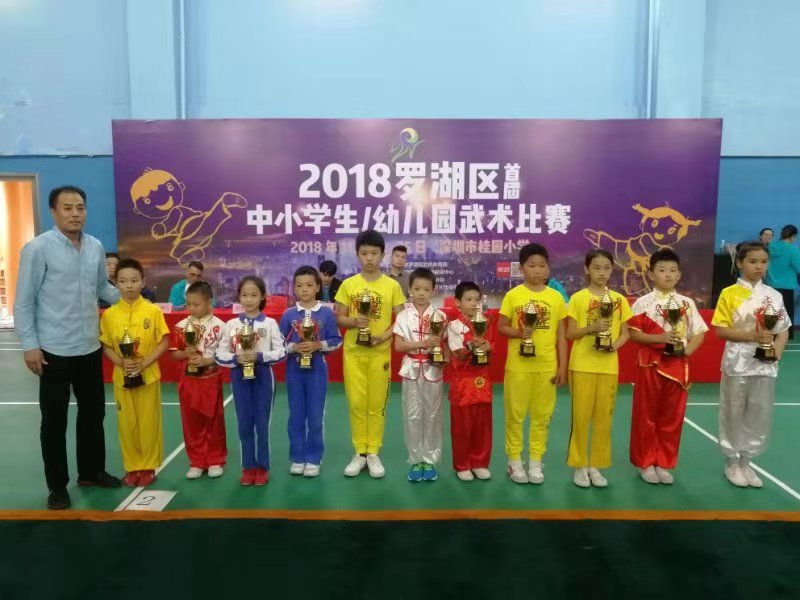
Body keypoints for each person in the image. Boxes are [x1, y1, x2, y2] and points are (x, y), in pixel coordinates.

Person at [14, 185, 121, 510]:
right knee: (54, 422)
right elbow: (24, 302)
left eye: (80, 208)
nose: (75, 214)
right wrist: (30, 345)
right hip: (53, 351)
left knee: (93, 414)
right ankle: (57, 486)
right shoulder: (38, 249)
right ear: (54, 211)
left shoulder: (95, 247)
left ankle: (91, 472)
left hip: (89, 346)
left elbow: (102, 287)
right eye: (68, 208)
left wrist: (133, 301)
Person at [713, 242, 791, 488]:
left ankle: (747, 462)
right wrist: (751, 336)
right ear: (739, 263)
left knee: (759, 412)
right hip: (737, 361)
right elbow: (720, 330)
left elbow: (783, 330)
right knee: (733, 410)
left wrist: (777, 351)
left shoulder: (774, 296)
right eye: (753, 261)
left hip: (765, 364)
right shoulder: (729, 294)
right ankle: (731, 462)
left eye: (764, 262)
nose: (759, 266)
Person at [628, 249, 707, 484]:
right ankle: (645, 463)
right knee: (646, 416)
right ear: (651, 274)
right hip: (650, 365)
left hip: (677, 367)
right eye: (662, 270)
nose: (668, 274)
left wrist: (688, 351)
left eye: (673, 270)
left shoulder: (687, 303)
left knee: (671, 418)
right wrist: (660, 339)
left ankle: (663, 462)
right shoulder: (643, 303)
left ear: (679, 274)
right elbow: (633, 335)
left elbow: (699, 333)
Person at [335, 230, 405, 479]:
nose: (369, 258)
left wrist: (382, 337)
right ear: (357, 255)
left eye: (374, 253)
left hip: (380, 354)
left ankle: (373, 451)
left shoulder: (392, 286)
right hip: (353, 354)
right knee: (356, 404)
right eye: (364, 253)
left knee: (376, 405)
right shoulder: (348, 284)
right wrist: (354, 322)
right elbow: (339, 317)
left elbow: (402, 319)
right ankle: (359, 452)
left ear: (382, 255)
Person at [497, 243, 568, 485]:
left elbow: (561, 336)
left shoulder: (556, 298)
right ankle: (514, 461)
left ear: (548, 269)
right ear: (521, 268)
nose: (537, 270)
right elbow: (501, 327)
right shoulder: (513, 295)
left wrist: (562, 366)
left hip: (546, 367)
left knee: (542, 417)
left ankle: (536, 461)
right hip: (518, 366)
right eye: (532, 265)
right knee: (515, 416)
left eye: (542, 265)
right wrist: (519, 333)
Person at [99, 259, 170, 487]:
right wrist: (121, 362)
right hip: (122, 378)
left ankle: (148, 467)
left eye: (134, 280)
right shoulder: (109, 315)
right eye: (123, 281)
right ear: (116, 283)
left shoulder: (153, 311)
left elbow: (164, 342)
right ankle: (132, 467)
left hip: (149, 376)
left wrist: (144, 363)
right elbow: (106, 345)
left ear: (143, 282)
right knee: (126, 423)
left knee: (148, 422)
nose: (129, 285)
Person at [565, 249, 632, 488]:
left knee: (604, 418)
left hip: (608, 366)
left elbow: (625, 333)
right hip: (582, 365)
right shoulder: (578, 298)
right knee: (581, 418)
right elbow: (570, 333)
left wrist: (613, 346)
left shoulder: (619, 300)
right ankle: (579, 466)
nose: (601, 272)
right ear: (587, 269)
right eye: (596, 268)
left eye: (606, 268)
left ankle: (596, 465)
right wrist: (591, 328)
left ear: (612, 270)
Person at [216, 276, 285, 486]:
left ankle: (262, 467)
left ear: (263, 296)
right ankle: (248, 467)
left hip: (264, 377)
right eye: (244, 295)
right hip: (239, 377)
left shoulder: (270, 323)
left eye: (254, 295)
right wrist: (236, 359)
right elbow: (220, 353)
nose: (249, 300)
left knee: (262, 424)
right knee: (244, 424)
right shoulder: (231, 324)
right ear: (239, 296)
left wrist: (260, 356)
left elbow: (281, 351)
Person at [279, 266, 342, 477]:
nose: (304, 289)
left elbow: (336, 340)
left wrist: (318, 345)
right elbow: (278, 344)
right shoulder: (288, 314)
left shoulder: (326, 313)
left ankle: (314, 457)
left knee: (315, 416)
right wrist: (293, 348)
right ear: (294, 288)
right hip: (294, 371)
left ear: (317, 287)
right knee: (296, 415)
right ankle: (298, 457)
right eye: (299, 285)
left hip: (317, 371)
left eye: (309, 285)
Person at [169, 281, 228, 479]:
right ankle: (197, 461)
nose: (191, 308)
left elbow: (225, 354)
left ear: (209, 302)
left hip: (210, 379)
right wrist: (185, 353)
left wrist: (207, 360)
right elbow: (174, 355)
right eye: (188, 304)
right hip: (188, 381)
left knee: (214, 422)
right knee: (191, 423)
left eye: (196, 304)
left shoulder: (220, 326)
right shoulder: (181, 326)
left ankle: (215, 460)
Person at [393, 268, 447, 483]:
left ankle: (430, 460)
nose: (421, 293)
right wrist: (422, 343)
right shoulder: (403, 316)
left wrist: (444, 357)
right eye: (417, 289)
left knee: (433, 416)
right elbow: (398, 346)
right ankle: (416, 460)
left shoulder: (440, 316)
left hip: (433, 369)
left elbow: (445, 346)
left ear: (433, 291)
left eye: (426, 289)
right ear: (410, 289)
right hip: (411, 368)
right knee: (412, 415)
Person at [447, 281, 494, 481]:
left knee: (482, 427)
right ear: (458, 302)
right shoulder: (453, 326)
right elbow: (457, 354)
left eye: (476, 299)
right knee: (462, 428)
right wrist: (471, 345)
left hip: (483, 382)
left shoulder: (485, 322)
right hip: (462, 385)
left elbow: (492, 345)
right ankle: (462, 464)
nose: (474, 303)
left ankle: (479, 463)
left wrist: (488, 347)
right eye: (468, 299)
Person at [765, 225, 800, 340]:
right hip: (787, 286)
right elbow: (798, 267)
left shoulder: (770, 247)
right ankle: (786, 335)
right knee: (786, 312)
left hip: (770, 284)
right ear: (793, 236)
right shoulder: (792, 250)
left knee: (771, 311)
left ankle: (770, 334)